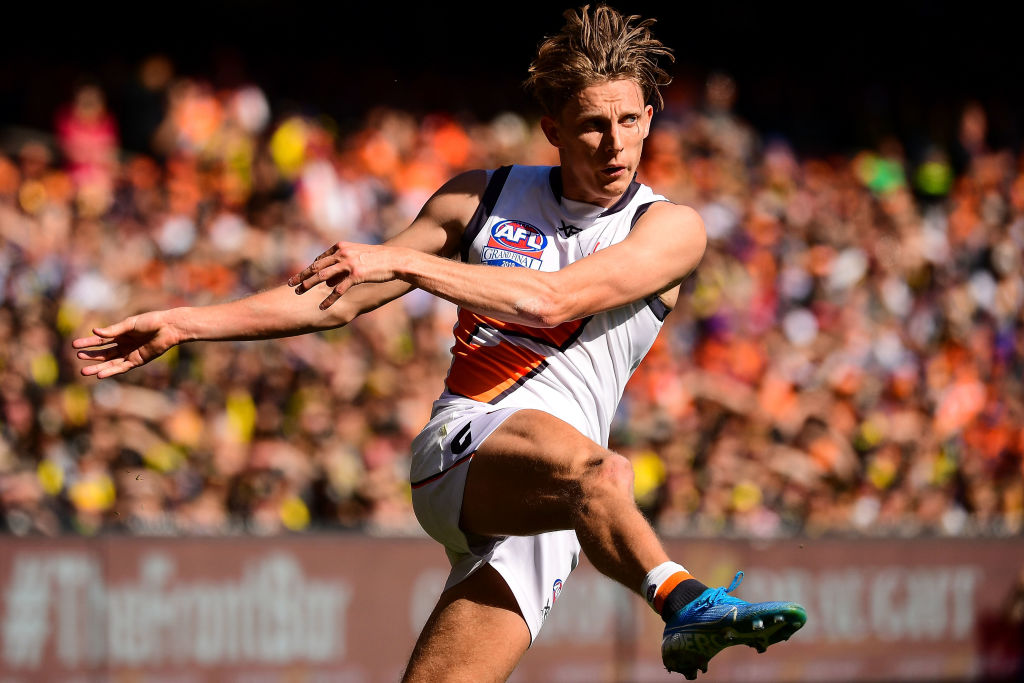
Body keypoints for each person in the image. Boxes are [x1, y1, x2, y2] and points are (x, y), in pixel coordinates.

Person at [74, 5, 806, 680]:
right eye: (591, 124)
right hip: (469, 444)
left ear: (649, 118)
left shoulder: (671, 228)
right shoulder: (483, 196)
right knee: (604, 474)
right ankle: (687, 605)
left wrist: (405, 262)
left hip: (551, 506)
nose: (614, 144)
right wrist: (184, 322)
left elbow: (553, 300)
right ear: (552, 127)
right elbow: (337, 301)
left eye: (627, 120)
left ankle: (680, 603)